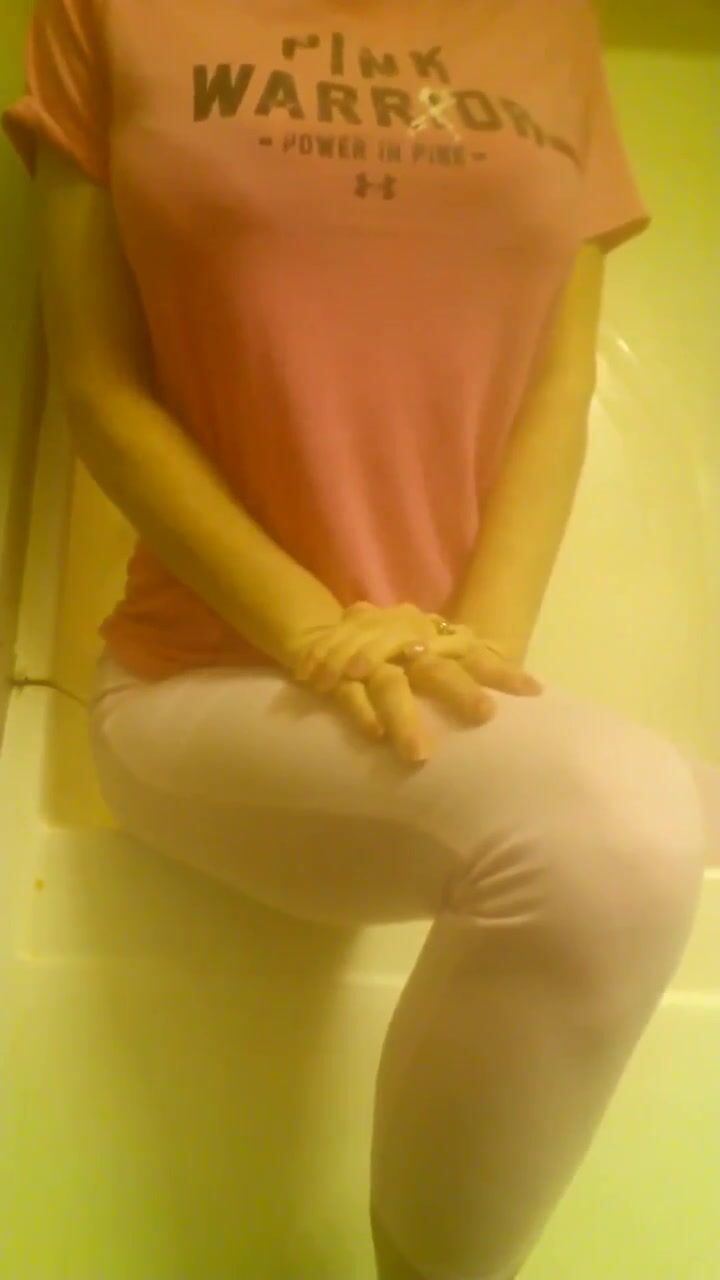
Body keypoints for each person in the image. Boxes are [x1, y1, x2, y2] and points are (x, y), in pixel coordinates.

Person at [3, 2, 718, 1277]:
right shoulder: (107, 9)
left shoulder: (549, 23)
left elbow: (555, 390)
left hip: (431, 686)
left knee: (648, 810)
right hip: (198, 683)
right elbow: (100, 383)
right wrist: (316, 629)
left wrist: (459, 652)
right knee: (621, 829)